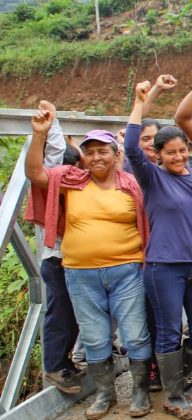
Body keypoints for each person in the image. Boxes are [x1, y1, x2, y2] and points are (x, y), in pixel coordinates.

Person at [25, 112, 152, 419]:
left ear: (116, 154)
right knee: (95, 336)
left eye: (103, 151)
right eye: (90, 151)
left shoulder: (131, 185)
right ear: (83, 156)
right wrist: (40, 134)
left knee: (135, 333)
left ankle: (139, 393)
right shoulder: (70, 181)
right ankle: (105, 394)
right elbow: (35, 173)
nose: (96, 157)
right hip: (80, 275)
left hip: (126, 271)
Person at [127, 77, 192, 418]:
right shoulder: (151, 178)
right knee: (168, 332)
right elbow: (132, 148)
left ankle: (189, 385)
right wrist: (145, 100)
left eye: (183, 150)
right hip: (164, 267)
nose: (179, 156)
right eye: (171, 152)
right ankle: (174, 395)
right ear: (159, 155)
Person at [32, 101, 85, 394]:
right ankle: (54, 366)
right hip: (58, 259)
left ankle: (63, 362)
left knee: (71, 314)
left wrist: (58, 125)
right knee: (61, 312)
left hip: (72, 259)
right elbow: (52, 158)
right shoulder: (57, 183)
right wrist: (52, 127)